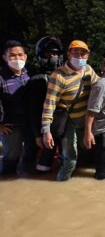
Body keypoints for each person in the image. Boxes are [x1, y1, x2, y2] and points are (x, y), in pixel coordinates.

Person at [41, 40, 99, 181]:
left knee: (87, 154)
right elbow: (50, 103)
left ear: (88, 55)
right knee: (70, 160)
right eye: (75, 52)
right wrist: (46, 131)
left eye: (83, 53)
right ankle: (60, 187)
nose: (79, 56)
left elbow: (100, 87)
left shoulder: (89, 70)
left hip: (86, 122)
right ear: (68, 54)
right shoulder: (58, 75)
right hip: (69, 123)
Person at [26, 36, 64, 172]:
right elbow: (33, 110)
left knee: (67, 166)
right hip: (45, 131)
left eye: (55, 53)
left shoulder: (65, 77)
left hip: (63, 129)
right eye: (49, 54)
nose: (53, 57)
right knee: (41, 168)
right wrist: (37, 135)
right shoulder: (37, 80)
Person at [0, 40, 31, 174]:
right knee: (11, 158)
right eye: (12, 55)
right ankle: (7, 184)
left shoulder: (30, 73)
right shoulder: (1, 77)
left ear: (25, 56)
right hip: (10, 126)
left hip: (30, 124)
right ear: (4, 57)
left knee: (30, 156)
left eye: (20, 54)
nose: (17, 58)